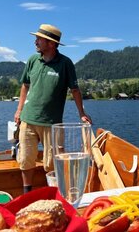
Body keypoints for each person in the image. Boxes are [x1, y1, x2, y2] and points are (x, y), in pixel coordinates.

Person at [14, 24, 92, 193]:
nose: (35, 41)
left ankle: (54, 194)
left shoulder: (65, 63)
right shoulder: (32, 60)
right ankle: (27, 194)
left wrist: (82, 114)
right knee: (26, 160)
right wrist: (19, 110)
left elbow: (75, 90)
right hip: (28, 119)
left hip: (52, 124)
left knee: (52, 163)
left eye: (39, 39)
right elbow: (25, 86)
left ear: (50, 43)